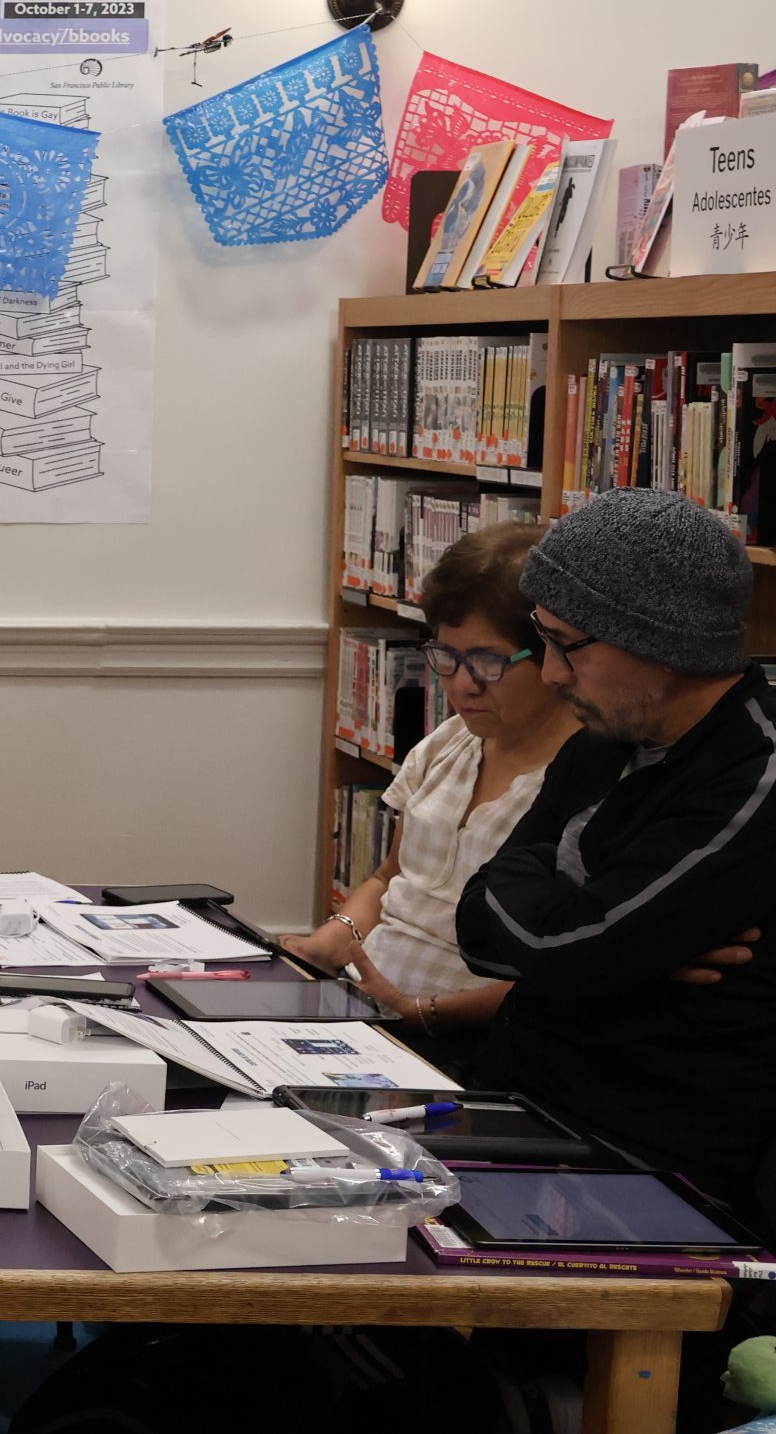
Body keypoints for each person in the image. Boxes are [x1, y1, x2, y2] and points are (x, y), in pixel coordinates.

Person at [456, 488, 776, 1214]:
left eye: (568, 643)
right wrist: (623, 954)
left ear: (663, 638)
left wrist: (582, 942)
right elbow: (478, 915)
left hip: (642, 1164)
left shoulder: (756, 779)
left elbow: (569, 953)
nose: (551, 673)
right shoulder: (604, 739)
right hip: (517, 1101)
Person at [282, 523, 576, 1066]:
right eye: (447, 657)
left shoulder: (582, 781)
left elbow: (566, 972)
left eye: (488, 662)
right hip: (367, 1008)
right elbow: (389, 876)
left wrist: (419, 1010)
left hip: (465, 1040)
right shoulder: (451, 741)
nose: (462, 685)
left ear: (554, 658)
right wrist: (333, 939)